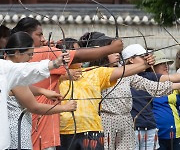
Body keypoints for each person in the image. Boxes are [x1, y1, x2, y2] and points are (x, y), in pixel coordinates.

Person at [11, 17, 124, 150]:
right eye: (39, 34)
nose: (43, 39)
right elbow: (78, 56)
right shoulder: (41, 53)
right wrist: (111, 48)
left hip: (29, 130)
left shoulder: (18, 61)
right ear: (25, 36)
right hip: (40, 132)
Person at [80, 33, 180, 150]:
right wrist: (144, 64)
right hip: (105, 120)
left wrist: (145, 65)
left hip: (126, 120)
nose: (117, 54)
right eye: (112, 51)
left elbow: (151, 86)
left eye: (117, 51)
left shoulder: (125, 73)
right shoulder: (94, 72)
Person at [57, 33, 157, 150]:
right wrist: (63, 75)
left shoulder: (93, 72)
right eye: (76, 52)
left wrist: (144, 63)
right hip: (63, 131)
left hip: (92, 130)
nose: (80, 55)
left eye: (80, 51)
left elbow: (123, 71)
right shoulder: (52, 75)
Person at [4, 31, 77, 149]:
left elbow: (18, 90)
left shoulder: (5, 68)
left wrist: (42, 91)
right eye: (29, 54)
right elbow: (34, 107)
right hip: (15, 135)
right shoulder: (14, 74)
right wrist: (65, 108)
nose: (31, 58)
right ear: (17, 53)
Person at [121, 45, 180, 150]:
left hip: (150, 128)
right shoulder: (120, 76)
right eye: (142, 56)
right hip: (131, 129)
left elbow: (174, 79)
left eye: (146, 56)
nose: (146, 58)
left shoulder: (148, 76)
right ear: (130, 59)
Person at [152, 50, 180, 150]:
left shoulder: (174, 83)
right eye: (161, 64)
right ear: (152, 67)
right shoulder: (145, 84)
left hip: (175, 133)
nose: (166, 66)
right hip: (155, 134)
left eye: (166, 63)